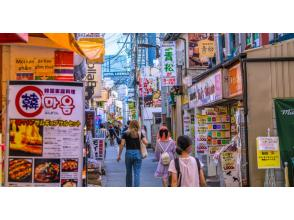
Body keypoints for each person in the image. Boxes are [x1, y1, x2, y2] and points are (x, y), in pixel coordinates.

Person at [117, 120, 148, 187]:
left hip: (128, 153)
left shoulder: (125, 133)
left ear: (130, 125)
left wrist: (119, 155)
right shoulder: (139, 133)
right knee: (137, 173)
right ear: (137, 125)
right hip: (137, 154)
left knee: (128, 173)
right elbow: (146, 142)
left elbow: (122, 144)